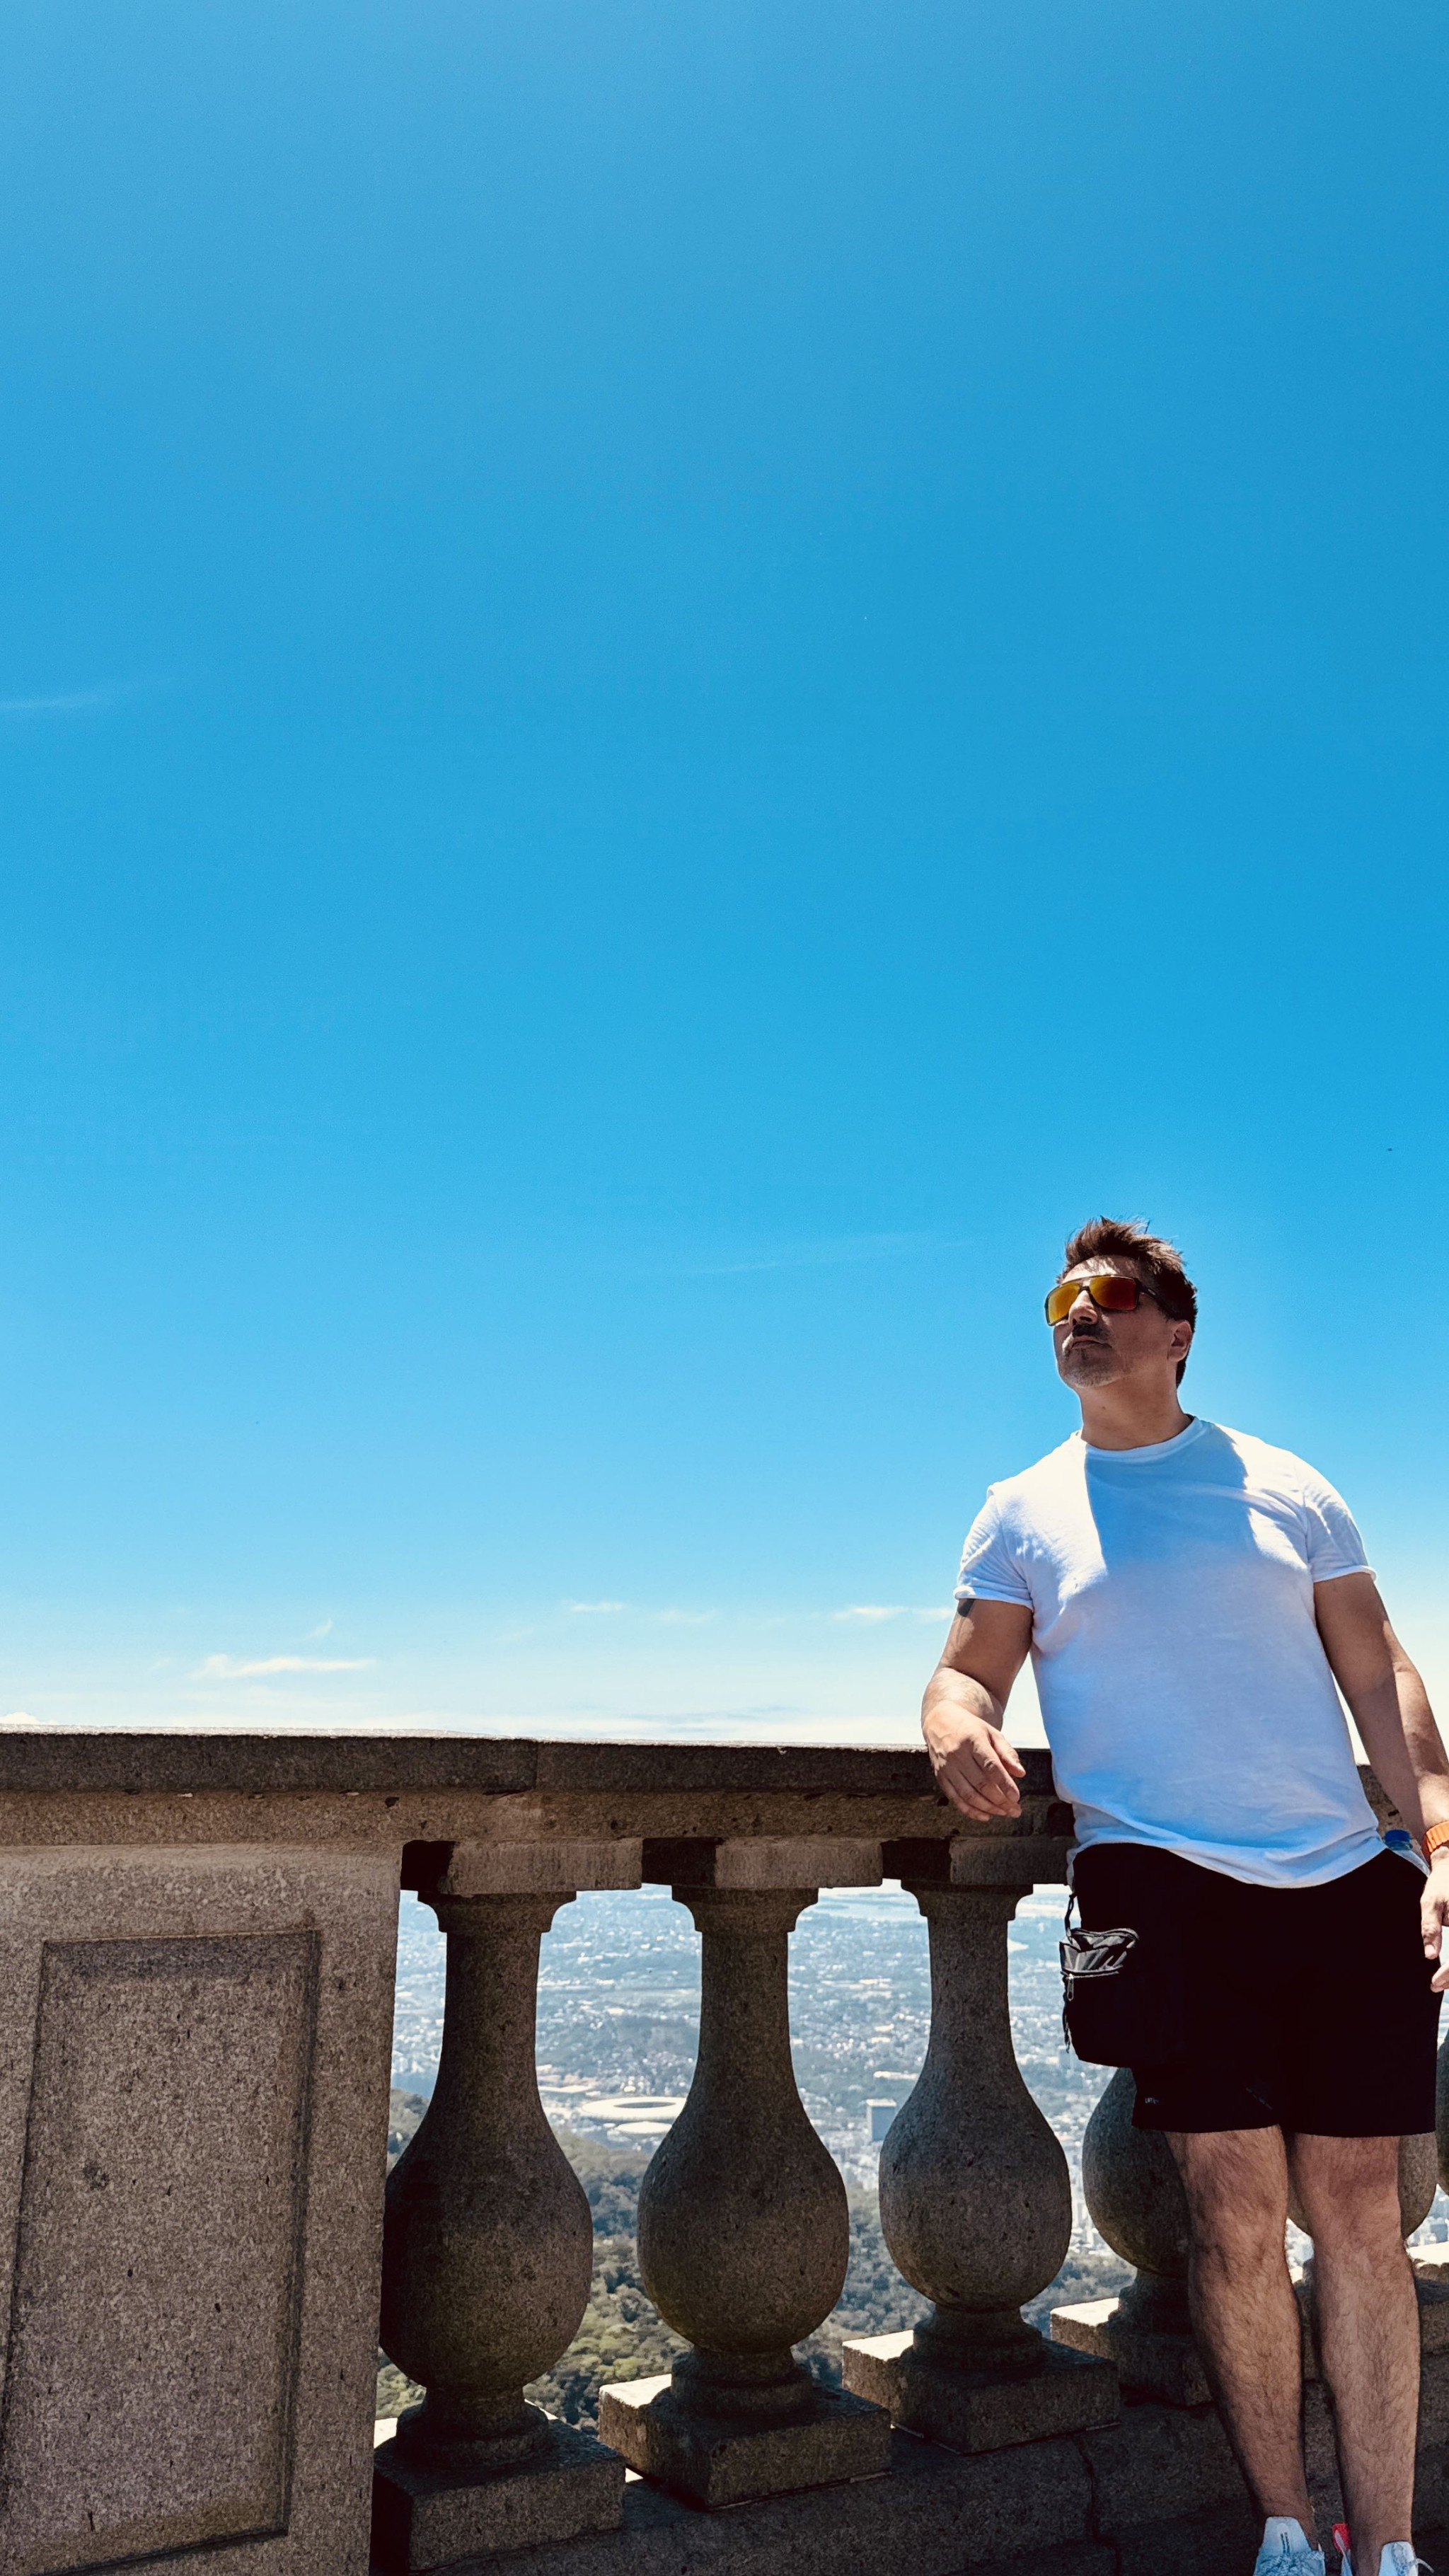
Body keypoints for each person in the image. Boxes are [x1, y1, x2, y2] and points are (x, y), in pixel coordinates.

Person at [922, 1216, 1448, 2576]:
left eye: (1110, 1293)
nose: (1078, 1312)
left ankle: (1389, 2548)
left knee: (1362, 2215)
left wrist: (1441, 1836)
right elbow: (969, 1670)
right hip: (1159, 1878)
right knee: (1230, 2209)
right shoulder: (1021, 1508)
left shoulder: (1287, 1487)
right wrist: (952, 1723)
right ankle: (1288, 2532)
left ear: (1177, 1331)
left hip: (1340, 1878)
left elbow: (1378, 1668)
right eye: (1063, 1295)